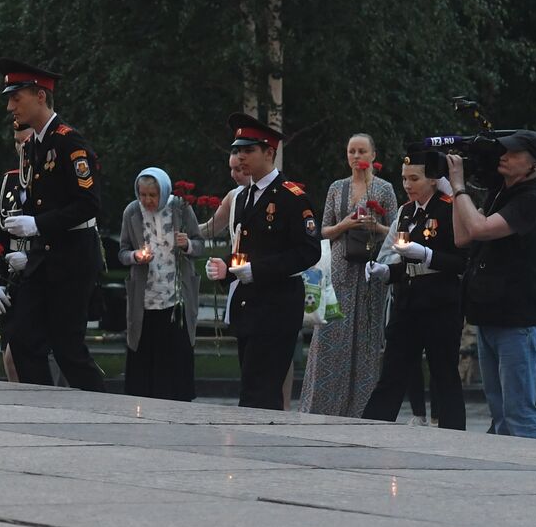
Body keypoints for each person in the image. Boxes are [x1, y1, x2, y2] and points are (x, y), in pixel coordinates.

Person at [0, 58, 105, 392]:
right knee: (21, 336)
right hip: (45, 257)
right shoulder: (34, 146)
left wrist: (38, 225)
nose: (11, 106)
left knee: (69, 348)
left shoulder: (69, 142)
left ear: (40, 96)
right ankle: (42, 401)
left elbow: (89, 203)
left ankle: (104, 411)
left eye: (17, 97)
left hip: (73, 257)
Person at [206, 114, 320, 410]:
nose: (240, 157)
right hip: (249, 307)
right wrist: (226, 268)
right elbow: (247, 250)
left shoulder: (292, 197)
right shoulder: (244, 197)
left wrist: (257, 271)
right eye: (236, 150)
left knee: (261, 392)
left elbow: (308, 252)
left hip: (277, 307)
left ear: (269, 152)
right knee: (252, 385)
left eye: (248, 150)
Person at [449, 129, 536, 438]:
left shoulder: (532, 199)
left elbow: (479, 228)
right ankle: (507, 475)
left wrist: (458, 187)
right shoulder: (501, 194)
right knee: (499, 412)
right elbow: (462, 237)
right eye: (503, 151)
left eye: (514, 153)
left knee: (519, 412)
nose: (504, 157)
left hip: (517, 318)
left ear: (534, 165)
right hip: (490, 314)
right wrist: (452, 188)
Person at [361, 151, 466, 430]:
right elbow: (405, 260)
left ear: (433, 180)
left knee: (444, 374)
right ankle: (371, 429)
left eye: (415, 178)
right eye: (404, 178)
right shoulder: (407, 212)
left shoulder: (449, 208)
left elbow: (462, 261)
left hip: (439, 301)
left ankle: (454, 435)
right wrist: (386, 271)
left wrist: (428, 255)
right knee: (393, 371)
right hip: (408, 300)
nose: (408, 184)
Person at [299, 134, 397, 417]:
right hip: (338, 272)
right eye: (351, 151)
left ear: (373, 155)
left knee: (365, 340)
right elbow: (323, 231)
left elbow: (396, 231)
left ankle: (362, 410)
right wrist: (345, 223)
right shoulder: (336, 188)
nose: (356, 156)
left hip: (369, 273)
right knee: (329, 337)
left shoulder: (384, 189)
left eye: (362, 151)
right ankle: (321, 406)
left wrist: (374, 227)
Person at [118, 167, 202, 400]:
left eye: (152, 195)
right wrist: (136, 256)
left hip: (176, 299)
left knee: (176, 358)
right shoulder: (132, 212)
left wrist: (187, 245)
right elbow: (122, 252)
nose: (147, 201)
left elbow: (199, 245)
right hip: (145, 299)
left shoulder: (181, 209)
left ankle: (178, 403)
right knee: (143, 359)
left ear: (163, 192)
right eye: (143, 195)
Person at [0, 122, 37, 383]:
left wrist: (31, 260)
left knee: (19, 354)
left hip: (43, 274)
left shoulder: (52, 180)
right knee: (10, 358)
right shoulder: (10, 181)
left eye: (26, 142)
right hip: (13, 279)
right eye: (18, 143)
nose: (21, 148)